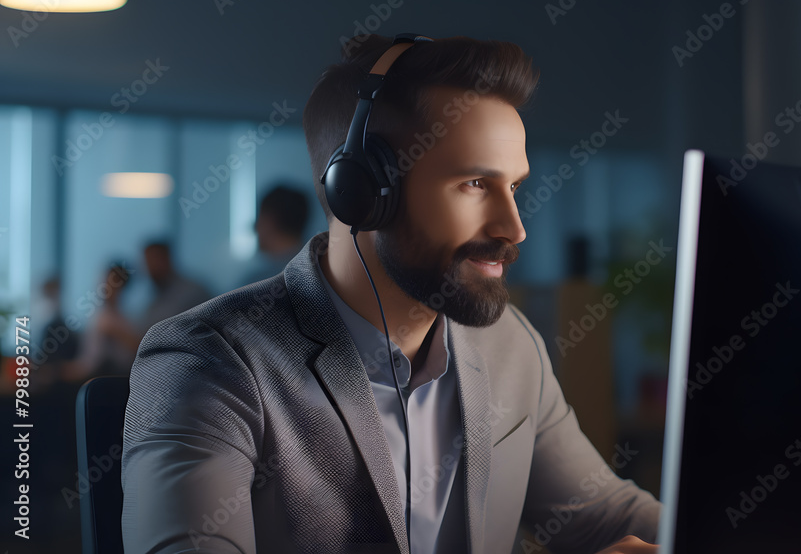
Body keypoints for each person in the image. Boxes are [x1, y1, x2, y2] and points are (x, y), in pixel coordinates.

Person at [122, 33, 661, 554]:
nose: (514, 228)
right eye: (475, 184)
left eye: (513, 187)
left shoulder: (508, 344)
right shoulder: (208, 360)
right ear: (363, 192)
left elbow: (606, 517)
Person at [240, 184, 312, 286]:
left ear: (270, 221)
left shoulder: (256, 285)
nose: (255, 227)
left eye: (260, 217)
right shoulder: (322, 273)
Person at [137, 240, 212, 334]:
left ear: (165, 259)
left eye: (151, 261)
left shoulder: (191, 292)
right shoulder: (157, 295)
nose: (147, 268)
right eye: (146, 262)